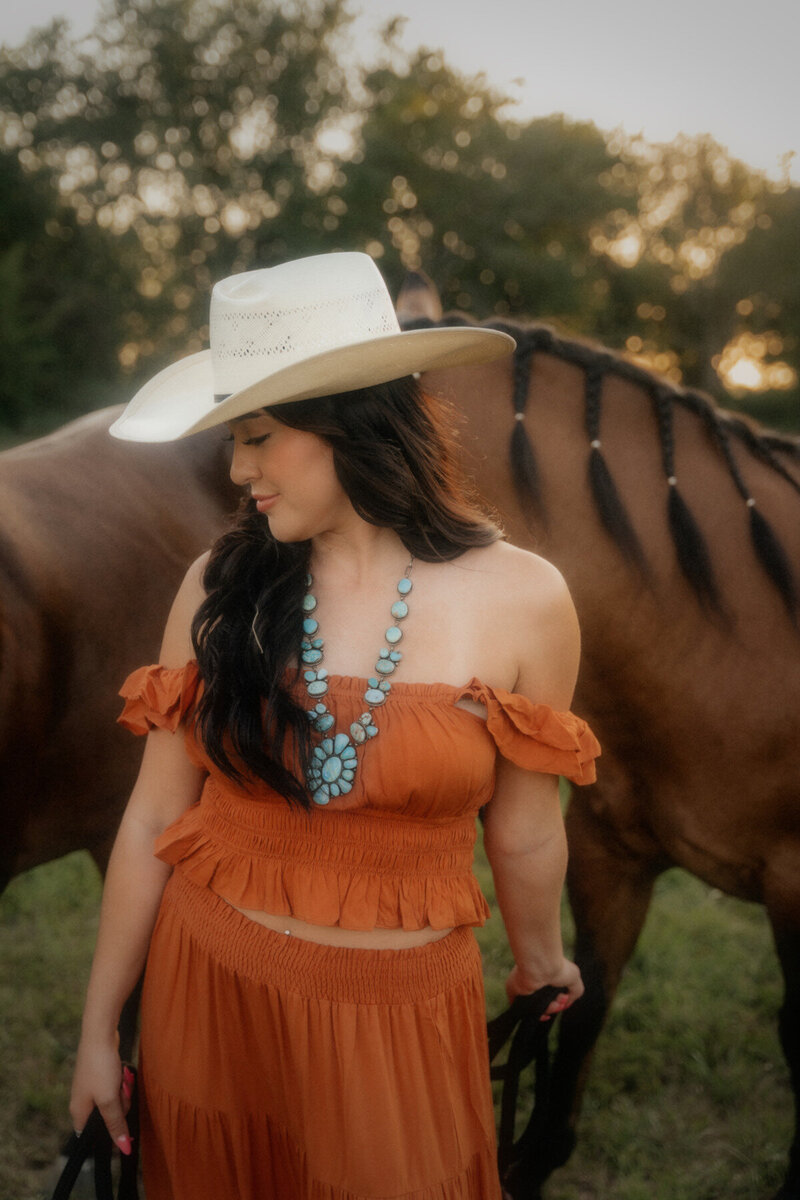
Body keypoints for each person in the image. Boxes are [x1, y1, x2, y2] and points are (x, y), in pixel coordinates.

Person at [70, 251, 600, 1200]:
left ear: (351, 420)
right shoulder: (221, 585)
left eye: (260, 436)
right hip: (210, 995)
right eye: (235, 439)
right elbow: (153, 820)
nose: (238, 469)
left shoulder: (526, 599)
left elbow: (525, 826)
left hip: (399, 1024)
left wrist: (542, 960)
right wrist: (100, 1033)